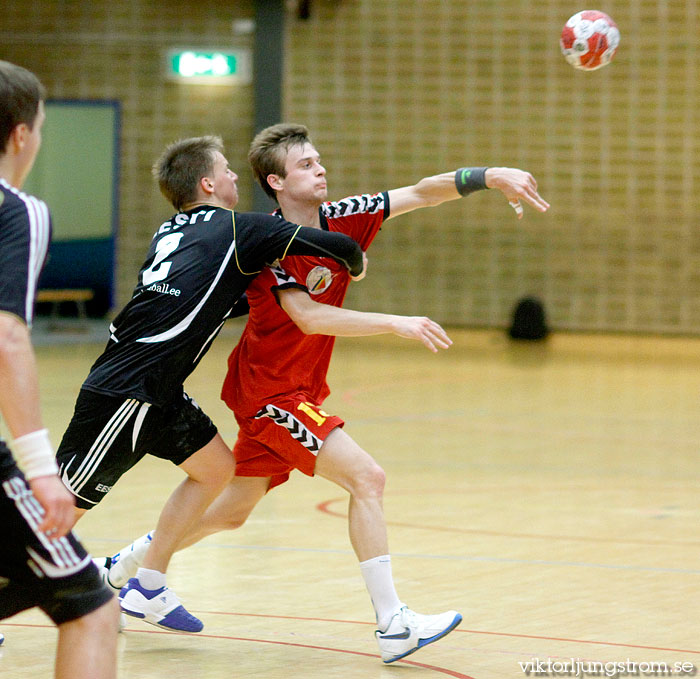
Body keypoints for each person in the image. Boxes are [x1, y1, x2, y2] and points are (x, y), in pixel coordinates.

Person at [112, 123, 550, 662]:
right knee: (367, 477)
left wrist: (490, 175)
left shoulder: (345, 216)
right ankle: (394, 624)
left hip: (299, 389)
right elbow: (309, 316)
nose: (320, 169)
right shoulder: (260, 245)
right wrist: (397, 323)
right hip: (268, 394)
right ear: (275, 180)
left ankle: (127, 568)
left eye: (319, 160)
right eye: (305, 165)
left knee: (231, 512)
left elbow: (420, 191)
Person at [55, 134, 365, 633]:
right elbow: (336, 243)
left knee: (217, 468)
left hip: (162, 391)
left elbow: (215, 296)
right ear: (207, 183)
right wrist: (354, 260)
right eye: (226, 169)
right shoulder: (238, 228)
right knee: (60, 509)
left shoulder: (173, 230)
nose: (235, 176)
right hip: (127, 390)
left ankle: (149, 585)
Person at [0, 60, 119, 678]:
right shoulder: (18, 210)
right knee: (91, 606)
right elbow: (7, 336)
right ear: (22, 135)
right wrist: (44, 471)